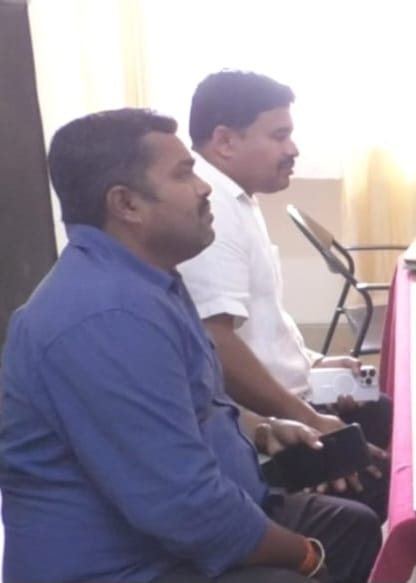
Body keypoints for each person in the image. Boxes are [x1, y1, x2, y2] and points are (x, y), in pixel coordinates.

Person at [0, 109, 381, 583]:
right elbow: (185, 508)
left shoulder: (149, 280)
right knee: (300, 569)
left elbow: (189, 401)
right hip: (128, 566)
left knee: (351, 527)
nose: (204, 188)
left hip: (178, 533)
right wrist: (303, 556)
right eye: (184, 174)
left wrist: (263, 430)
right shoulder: (105, 318)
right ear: (126, 204)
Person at [177, 71, 391, 518]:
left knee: (392, 417)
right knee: (389, 477)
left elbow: (261, 320)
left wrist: (316, 361)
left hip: (288, 399)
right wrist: (309, 420)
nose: (292, 149)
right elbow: (217, 343)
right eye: (279, 136)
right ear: (225, 141)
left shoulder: (239, 199)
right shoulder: (213, 210)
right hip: (263, 425)